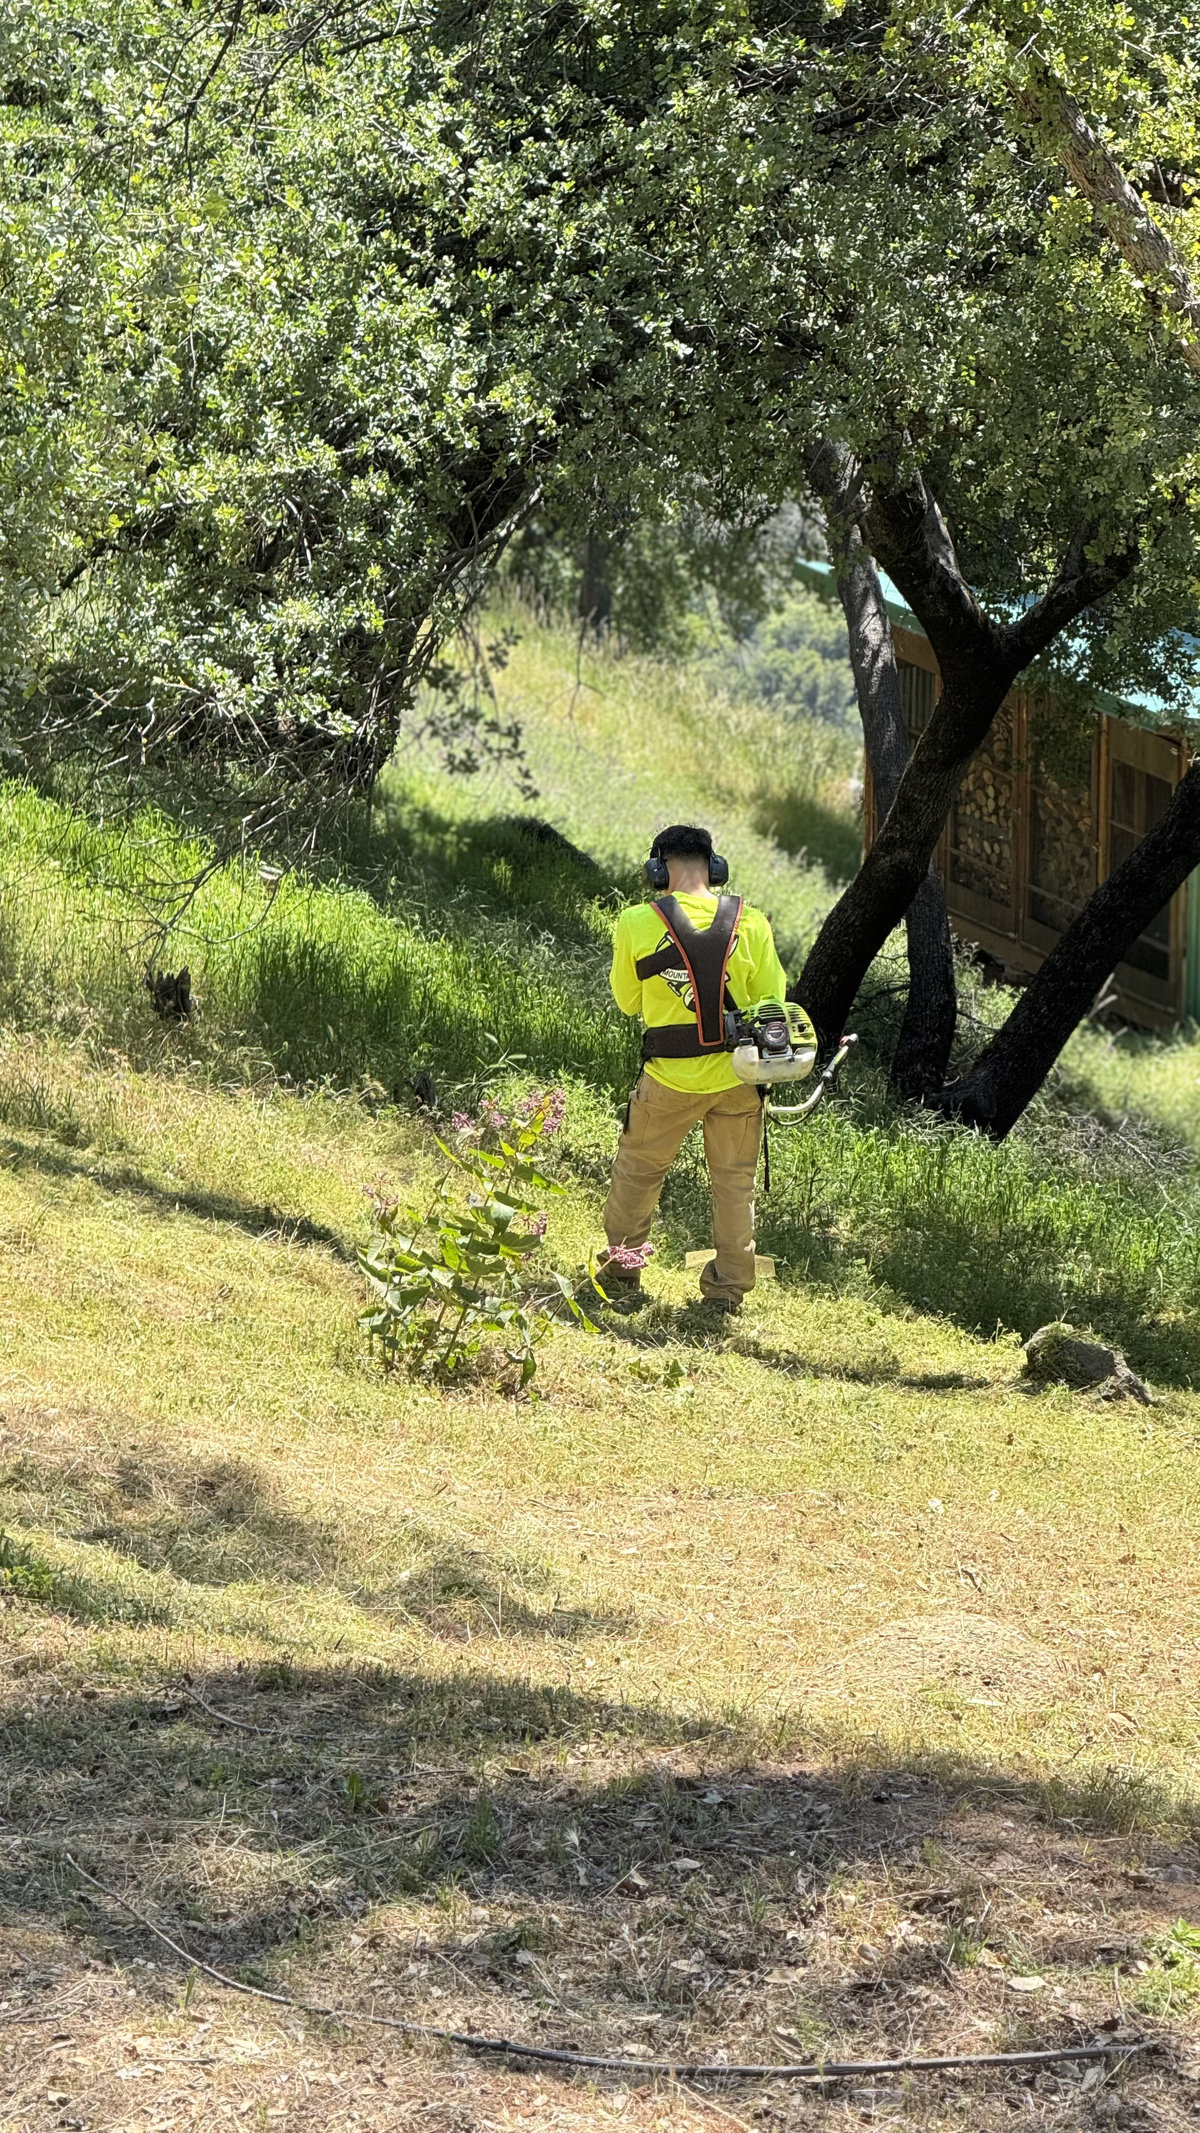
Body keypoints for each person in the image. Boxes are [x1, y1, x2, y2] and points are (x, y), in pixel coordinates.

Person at [600, 823, 787, 1313]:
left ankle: (622, 1269)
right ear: (715, 868)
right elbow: (773, 1003)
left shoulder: (636, 922)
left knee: (639, 1171)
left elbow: (626, 1002)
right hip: (738, 1080)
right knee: (734, 1185)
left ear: (657, 869)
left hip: (668, 1079)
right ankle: (727, 1291)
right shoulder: (754, 922)